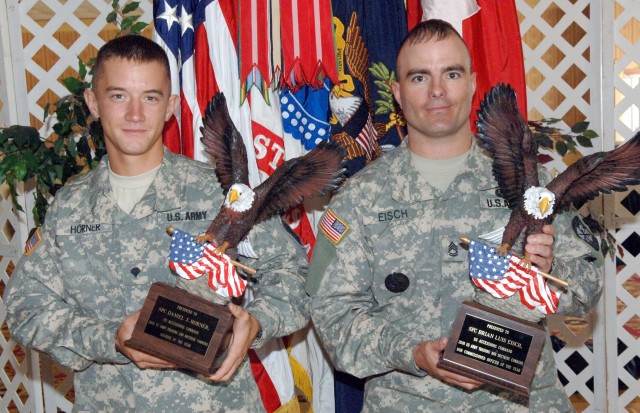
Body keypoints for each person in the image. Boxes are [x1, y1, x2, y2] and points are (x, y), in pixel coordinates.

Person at [307, 19, 602, 412]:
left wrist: (551, 270)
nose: (437, 91)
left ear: (473, 81)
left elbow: (587, 282)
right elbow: (331, 313)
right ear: (396, 92)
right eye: (418, 77)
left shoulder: (533, 188)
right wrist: (411, 353)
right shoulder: (358, 200)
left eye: (451, 72)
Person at [4, 35, 310, 412]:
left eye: (150, 97)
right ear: (92, 103)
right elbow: (26, 308)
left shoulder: (223, 195)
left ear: (170, 106)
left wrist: (256, 323)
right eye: (118, 96)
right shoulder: (69, 207)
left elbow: (294, 276)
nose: (135, 114)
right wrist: (109, 339)